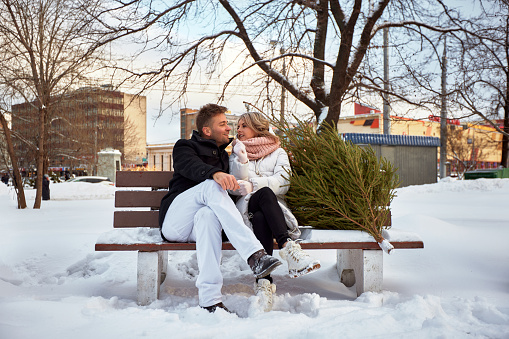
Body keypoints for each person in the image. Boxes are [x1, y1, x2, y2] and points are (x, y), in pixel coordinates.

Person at [159, 104, 282, 313]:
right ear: (207, 130)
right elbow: (191, 166)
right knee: (211, 184)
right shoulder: (185, 146)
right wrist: (215, 174)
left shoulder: (225, 157)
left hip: (199, 226)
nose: (229, 128)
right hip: (176, 221)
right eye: (223, 124)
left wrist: (240, 161)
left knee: (208, 215)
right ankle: (255, 255)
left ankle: (210, 300)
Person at [229, 112, 321, 312]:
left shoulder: (278, 152)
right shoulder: (236, 152)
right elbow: (232, 186)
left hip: (272, 212)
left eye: (243, 126)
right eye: (238, 126)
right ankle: (288, 248)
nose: (238, 130)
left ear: (257, 127)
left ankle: (264, 282)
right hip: (246, 209)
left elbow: (284, 183)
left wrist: (253, 184)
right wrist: (242, 160)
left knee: (263, 208)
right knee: (263, 195)